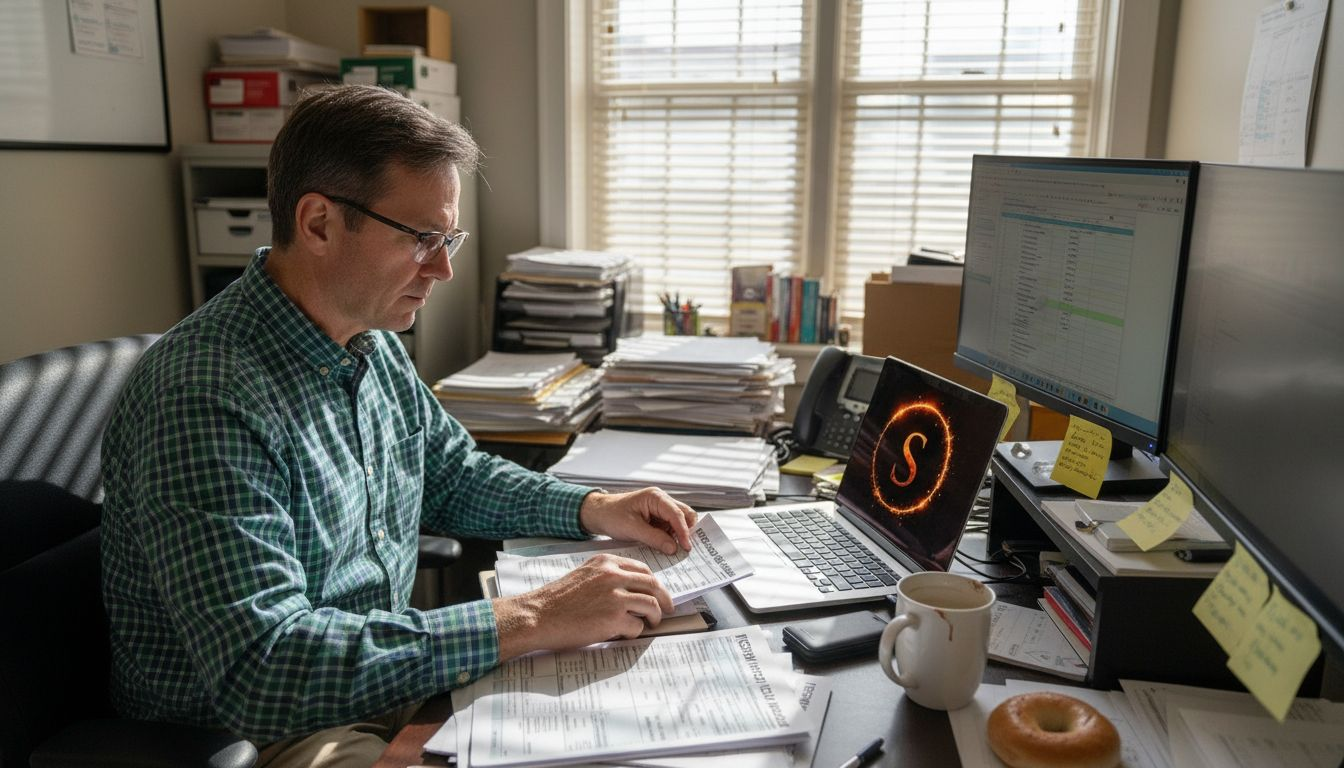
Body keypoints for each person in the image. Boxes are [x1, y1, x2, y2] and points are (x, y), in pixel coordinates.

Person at [100, 85, 697, 766]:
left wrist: (595, 506)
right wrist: (532, 617)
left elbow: (451, 475)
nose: (443, 268)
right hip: (262, 731)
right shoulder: (204, 395)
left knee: (629, 713)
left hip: (384, 677)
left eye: (448, 239)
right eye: (421, 240)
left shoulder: (367, 341)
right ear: (320, 223)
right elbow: (263, 669)